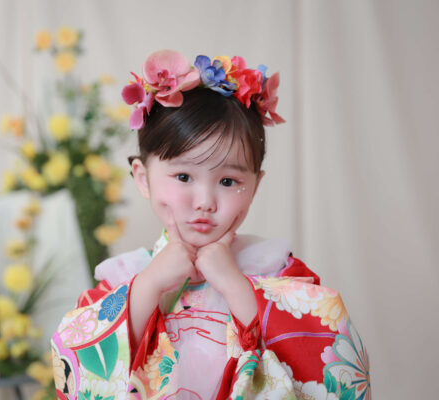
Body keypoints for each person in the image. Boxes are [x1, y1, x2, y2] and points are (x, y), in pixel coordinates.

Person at [51, 50, 370, 400]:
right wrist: (148, 286)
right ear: (142, 178)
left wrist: (236, 286)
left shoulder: (277, 268)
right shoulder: (124, 277)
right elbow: (77, 365)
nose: (205, 201)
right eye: (183, 176)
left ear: (255, 185)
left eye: (228, 181)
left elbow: (326, 355)